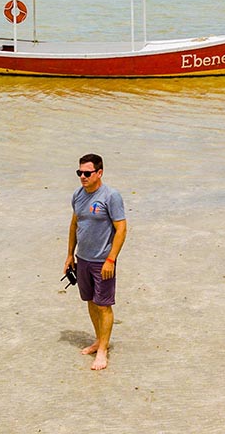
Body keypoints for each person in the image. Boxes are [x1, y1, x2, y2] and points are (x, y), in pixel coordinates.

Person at [64, 153, 127, 370]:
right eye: (79, 172)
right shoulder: (78, 195)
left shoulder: (111, 196)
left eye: (87, 173)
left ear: (99, 173)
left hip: (103, 261)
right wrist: (69, 256)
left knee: (104, 305)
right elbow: (74, 225)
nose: (82, 176)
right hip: (83, 259)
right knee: (90, 301)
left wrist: (111, 259)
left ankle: (103, 351)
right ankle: (99, 340)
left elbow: (121, 229)